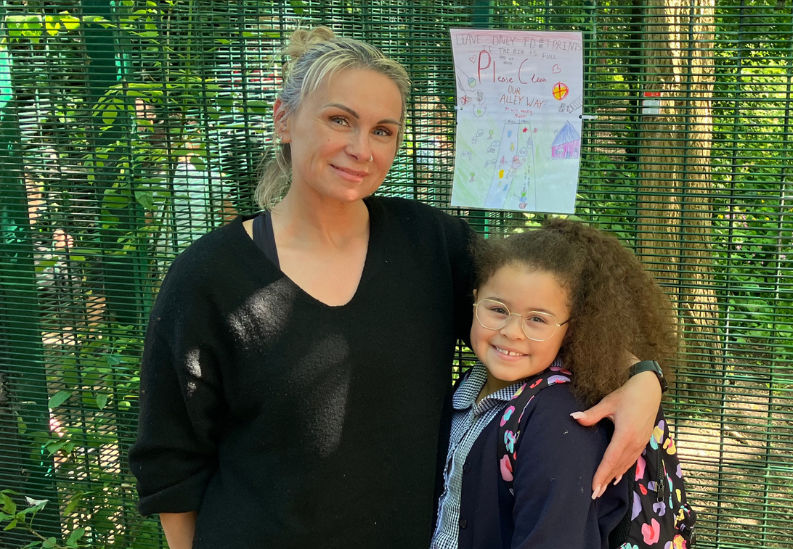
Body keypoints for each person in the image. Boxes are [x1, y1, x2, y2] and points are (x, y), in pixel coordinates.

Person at [128, 27, 666, 548]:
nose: (362, 148)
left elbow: (538, 326)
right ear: (285, 120)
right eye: (341, 120)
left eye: (383, 130)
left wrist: (643, 379)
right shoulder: (208, 277)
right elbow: (171, 462)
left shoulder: (430, 244)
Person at [431, 218, 688, 549]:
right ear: (476, 300)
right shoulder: (470, 385)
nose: (511, 331)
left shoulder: (559, 420)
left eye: (537, 319)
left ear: (574, 327)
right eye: (498, 309)